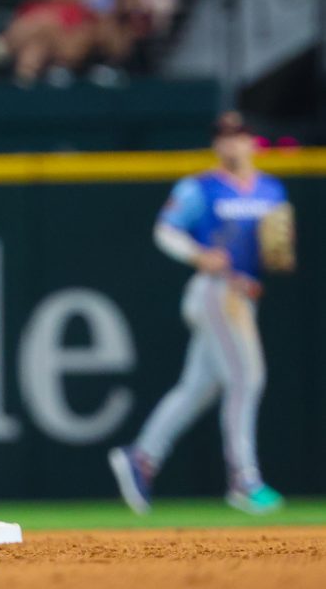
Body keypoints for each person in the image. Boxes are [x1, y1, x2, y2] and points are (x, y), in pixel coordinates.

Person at [110, 112, 294, 517]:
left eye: (239, 135)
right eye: (224, 137)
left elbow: (276, 251)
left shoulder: (270, 189)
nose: (231, 143)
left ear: (251, 141)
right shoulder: (200, 187)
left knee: (197, 388)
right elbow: (165, 230)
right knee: (248, 378)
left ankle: (141, 457)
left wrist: (275, 256)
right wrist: (198, 254)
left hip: (244, 296)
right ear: (216, 145)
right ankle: (243, 479)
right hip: (216, 292)